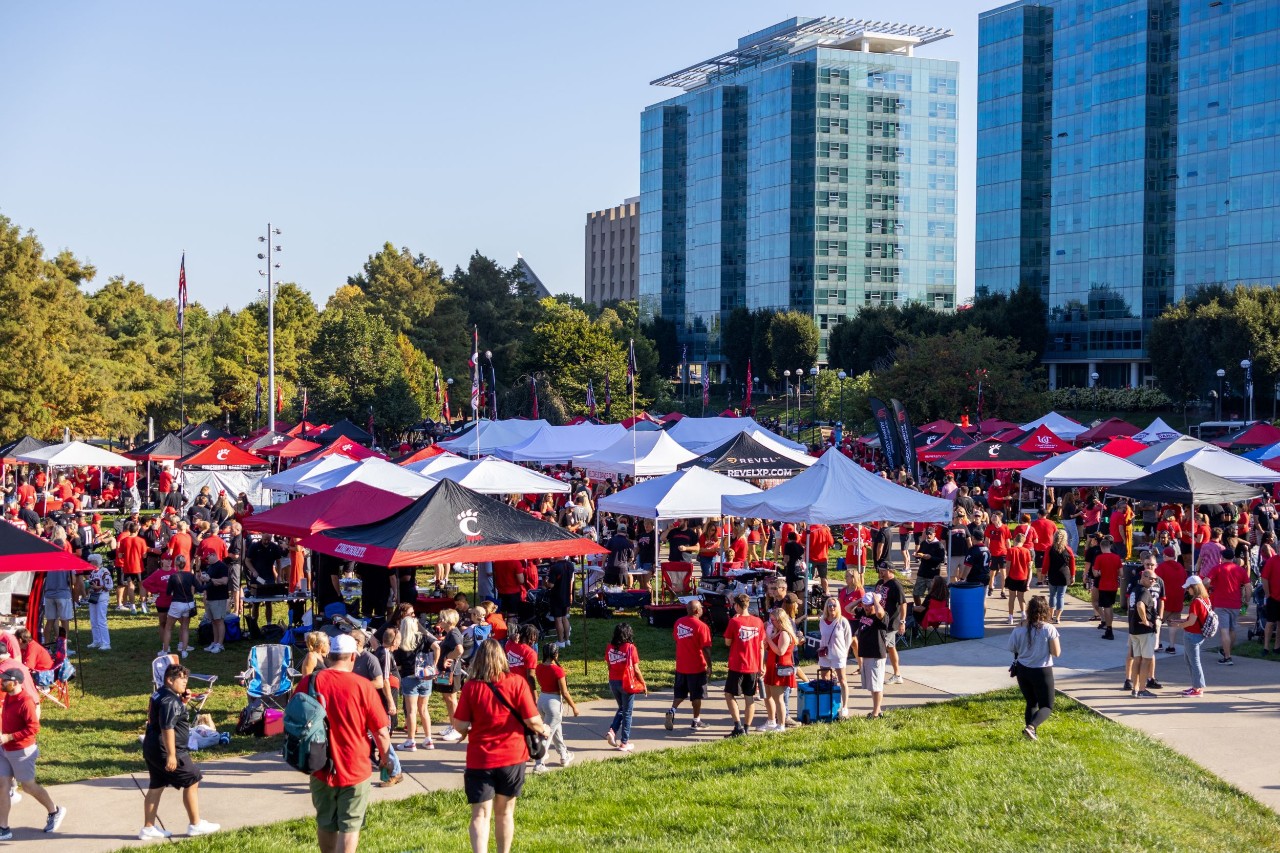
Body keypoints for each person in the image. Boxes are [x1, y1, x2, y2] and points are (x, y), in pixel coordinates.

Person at [451, 638, 549, 853]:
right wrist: (544, 729)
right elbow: (532, 720)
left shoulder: (471, 687)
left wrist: (466, 730)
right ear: (502, 658)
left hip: (480, 758)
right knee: (505, 813)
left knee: (480, 814)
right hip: (512, 757)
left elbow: (459, 724)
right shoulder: (517, 682)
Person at [299, 633, 392, 853]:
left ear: (329, 655)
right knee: (350, 825)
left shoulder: (310, 681)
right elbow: (380, 731)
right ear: (352, 657)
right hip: (355, 766)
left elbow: (294, 718)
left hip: (320, 764)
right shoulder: (363, 686)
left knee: (326, 822)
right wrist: (386, 758)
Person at [139, 663, 216, 840]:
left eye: (186, 679)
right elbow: (167, 728)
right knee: (193, 779)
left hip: (151, 747)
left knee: (156, 786)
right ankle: (195, 824)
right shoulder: (169, 701)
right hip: (166, 750)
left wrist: (183, 702)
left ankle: (148, 828)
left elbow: (163, 718)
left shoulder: (160, 693)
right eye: (182, 679)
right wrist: (172, 755)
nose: (185, 682)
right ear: (169, 680)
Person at [0, 666, 65, 840]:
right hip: (4, 750)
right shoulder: (8, 697)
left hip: (21, 751)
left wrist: (9, 737)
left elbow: (34, 728)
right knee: (2, 785)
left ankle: (54, 810)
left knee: (28, 786)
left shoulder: (25, 701)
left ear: (16, 682)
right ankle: (3, 828)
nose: (2, 682)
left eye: (5, 680)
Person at [1007, 595, 1061, 741]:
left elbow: (1012, 647)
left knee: (1031, 702)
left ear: (1028, 610)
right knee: (1047, 706)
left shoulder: (1018, 629)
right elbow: (1056, 653)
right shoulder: (1049, 629)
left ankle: (1030, 733)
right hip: (1042, 671)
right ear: (1046, 611)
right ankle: (1031, 727)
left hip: (1023, 671)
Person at [393, 608, 439, 752]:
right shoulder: (424, 638)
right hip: (425, 676)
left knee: (412, 711)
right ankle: (428, 739)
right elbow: (437, 647)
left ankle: (411, 741)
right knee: (424, 709)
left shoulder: (401, 643)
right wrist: (434, 664)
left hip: (409, 677)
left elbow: (398, 664)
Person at [722, 593, 765, 737]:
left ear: (738, 606)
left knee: (729, 694)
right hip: (753, 665)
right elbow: (761, 646)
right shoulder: (758, 621)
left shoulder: (734, 622)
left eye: (734, 605)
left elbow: (727, 642)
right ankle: (746, 729)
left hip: (737, 664)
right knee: (749, 697)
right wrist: (761, 665)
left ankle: (737, 726)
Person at [532, 643, 578, 772]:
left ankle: (564, 755)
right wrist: (574, 707)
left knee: (556, 730)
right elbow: (564, 692)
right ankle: (539, 764)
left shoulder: (539, 667)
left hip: (542, 700)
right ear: (555, 654)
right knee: (546, 734)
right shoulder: (558, 670)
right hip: (554, 703)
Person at [667, 599, 712, 731]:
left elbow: (676, 639)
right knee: (697, 696)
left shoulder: (679, 623)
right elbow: (706, 649)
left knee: (680, 694)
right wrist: (709, 665)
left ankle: (672, 710)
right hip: (696, 667)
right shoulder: (702, 626)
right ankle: (696, 720)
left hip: (681, 666)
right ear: (697, 611)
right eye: (701, 607)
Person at [1169, 577, 1212, 696]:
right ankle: (1196, 686)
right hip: (1199, 634)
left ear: (1194, 587)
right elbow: (1196, 619)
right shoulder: (1205, 599)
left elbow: (1192, 621)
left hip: (1192, 635)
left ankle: (1198, 688)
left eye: (1188, 588)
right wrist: (1181, 621)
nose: (1187, 590)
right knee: (1191, 660)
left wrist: (1179, 625)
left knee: (1193, 662)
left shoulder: (1196, 602)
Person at [1203, 556, 1250, 665]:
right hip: (1235, 604)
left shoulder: (1217, 568)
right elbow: (1248, 586)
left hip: (1220, 603)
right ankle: (1226, 651)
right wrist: (1247, 600)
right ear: (1233, 558)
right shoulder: (1240, 570)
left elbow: (1205, 581)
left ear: (1222, 558)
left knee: (1224, 630)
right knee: (1232, 629)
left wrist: (1209, 588)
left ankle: (1227, 657)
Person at [604, 623, 644, 751]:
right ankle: (624, 742)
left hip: (613, 681)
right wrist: (643, 683)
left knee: (622, 708)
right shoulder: (630, 648)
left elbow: (609, 665)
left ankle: (612, 731)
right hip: (626, 682)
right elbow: (636, 669)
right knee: (627, 712)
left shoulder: (609, 647)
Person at [762, 607, 798, 732]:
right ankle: (771, 721)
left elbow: (780, 651)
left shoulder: (784, 633)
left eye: (773, 620)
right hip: (772, 667)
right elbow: (772, 649)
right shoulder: (777, 631)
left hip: (780, 668)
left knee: (779, 699)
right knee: (767, 696)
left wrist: (769, 639)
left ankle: (781, 724)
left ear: (780, 620)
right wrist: (767, 644)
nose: (771, 622)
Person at [854, 591, 889, 718]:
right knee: (872, 686)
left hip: (876, 655)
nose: (867, 607)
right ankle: (876, 710)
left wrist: (875, 601)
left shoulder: (882, 616)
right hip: (866, 655)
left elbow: (880, 613)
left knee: (877, 685)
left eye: (869, 605)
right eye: (865, 605)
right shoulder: (863, 612)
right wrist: (860, 601)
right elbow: (847, 608)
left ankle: (876, 712)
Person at [1127, 567, 1161, 698]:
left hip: (1134, 630)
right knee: (1146, 660)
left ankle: (1135, 689)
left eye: (1155, 579)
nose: (1153, 581)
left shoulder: (1135, 590)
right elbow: (1140, 605)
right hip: (1144, 631)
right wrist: (1146, 621)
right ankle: (1142, 689)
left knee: (1137, 659)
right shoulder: (1144, 592)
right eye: (1151, 578)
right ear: (1144, 577)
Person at [816, 597, 853, 718]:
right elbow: (822, 635)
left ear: (838, 607)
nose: (832, 607)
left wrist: (844, 653)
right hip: (824, 653)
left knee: (842, 680)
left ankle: (845, 706)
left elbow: (848, 639)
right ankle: (828, 705)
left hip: (839, 654)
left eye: (834, 605)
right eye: (829, 605)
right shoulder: (822, 621)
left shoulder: (842, 621)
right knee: (825, 678)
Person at [433, 609, 466, 743]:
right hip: (445, 672)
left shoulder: (453, 633)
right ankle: (452, 725)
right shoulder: (450, 633)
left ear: (448, 620)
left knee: (452, 699)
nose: (439, 620)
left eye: (441, 618)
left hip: (451, 672)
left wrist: (447, 657)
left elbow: (459, 649)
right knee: (447, 698)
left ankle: (457, 729)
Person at [872, 562, 906, 685]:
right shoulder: (880, 583)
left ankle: (878, 675)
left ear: (891, 571)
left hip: (890, 623)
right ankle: (897, 674)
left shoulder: (896, 585)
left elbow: (903, 604)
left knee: (880, 648)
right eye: (880, 569)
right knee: (891, 648)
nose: (881, 572)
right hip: (879, 620)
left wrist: (902, 622)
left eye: (883, 570)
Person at [165, 555, 203, 659]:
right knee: (185, 628)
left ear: (176, 564)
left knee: (168, 628)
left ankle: (165, 650)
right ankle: (184, 651)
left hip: (177, 603)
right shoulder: (190, 576)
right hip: (188, 604)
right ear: (185, 564)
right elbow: (199, 588)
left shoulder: (173, 576)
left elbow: (168, 592)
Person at [1154, 547, 1188, 655]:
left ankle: (1157, 644)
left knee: (1158, 621)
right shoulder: (1181, 567)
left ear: (1164, 556)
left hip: (1165, 599)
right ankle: (1172, 646)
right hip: (1178, 599)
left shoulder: (1162, 567)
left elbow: (1156, 581)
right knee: (1173, 623)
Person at [1092, 537, 1122, 640]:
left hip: (1104, 585)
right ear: (1110, 546)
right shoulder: (1117, 557)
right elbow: (1121, 573)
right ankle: (1110, 626)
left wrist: (1100, 572)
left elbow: (1095, 573)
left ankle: (1109, 629)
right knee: (1110, 606)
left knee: (1107, 607)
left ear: (1101, 547)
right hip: (1114, 585)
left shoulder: (1099, 558)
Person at [200, 556, 230, 654]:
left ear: (214, 555)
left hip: (219, 597)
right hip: (210, 597)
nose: (207, 559)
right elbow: (210, 580)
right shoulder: (210, 566)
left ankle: (220, 644)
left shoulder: (222, 566)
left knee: (219, 620)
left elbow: (224, 581)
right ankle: (215, 642)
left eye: (208, 557)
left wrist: (211, 579)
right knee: (213, 621)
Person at [1043, 530, 1074, 624]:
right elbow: (1072, 564)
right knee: (1061, 596)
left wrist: (1044, 574)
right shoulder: (1068, 549)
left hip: (1053, 573)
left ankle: (1050, 615)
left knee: (1052, 595)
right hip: (1064, 574)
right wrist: (1073, 575)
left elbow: (1046, 563)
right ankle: (1058, 618)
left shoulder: (1050, 549)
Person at [85, 554, 113, 651]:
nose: (89, 563)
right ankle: (96, 640)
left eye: (90, 561)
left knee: (101, 620)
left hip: (101, 597)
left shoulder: (104, 571)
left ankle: (106, 643)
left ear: (95, 562)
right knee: (93, 620)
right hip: (93, 597)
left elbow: (109, 586)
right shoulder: (92, 572)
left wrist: (99, 587)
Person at [544, 557, 574, 647]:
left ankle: (561, 641)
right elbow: (571, 580)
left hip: (557, 596)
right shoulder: (570, 565)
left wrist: (545, 582)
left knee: (558, 619)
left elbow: (551, 585)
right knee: (565, 617)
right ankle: (567, 640)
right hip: (567, 595)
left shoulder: (555, 567)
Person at [912, 525, 946, 603]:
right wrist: (917, 555)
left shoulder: (939, 545)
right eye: (927, 533)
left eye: (930, 534)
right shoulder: (924, 543)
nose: (928, 535)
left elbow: (941, 559)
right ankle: (919, 608)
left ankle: (929, 610)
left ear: (934, 534)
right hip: (922, 573)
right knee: (916, 594)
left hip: (933, 574)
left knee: (932, 596)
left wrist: (930, 557)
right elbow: (920, 553)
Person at [1261, 547, 1280, 656]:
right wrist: (1268, 594)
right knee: (1270, 622)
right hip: (1273, 597)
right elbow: (1264, 578)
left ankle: (1277, 647)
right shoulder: (1272, 561)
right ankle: (1266, 648)